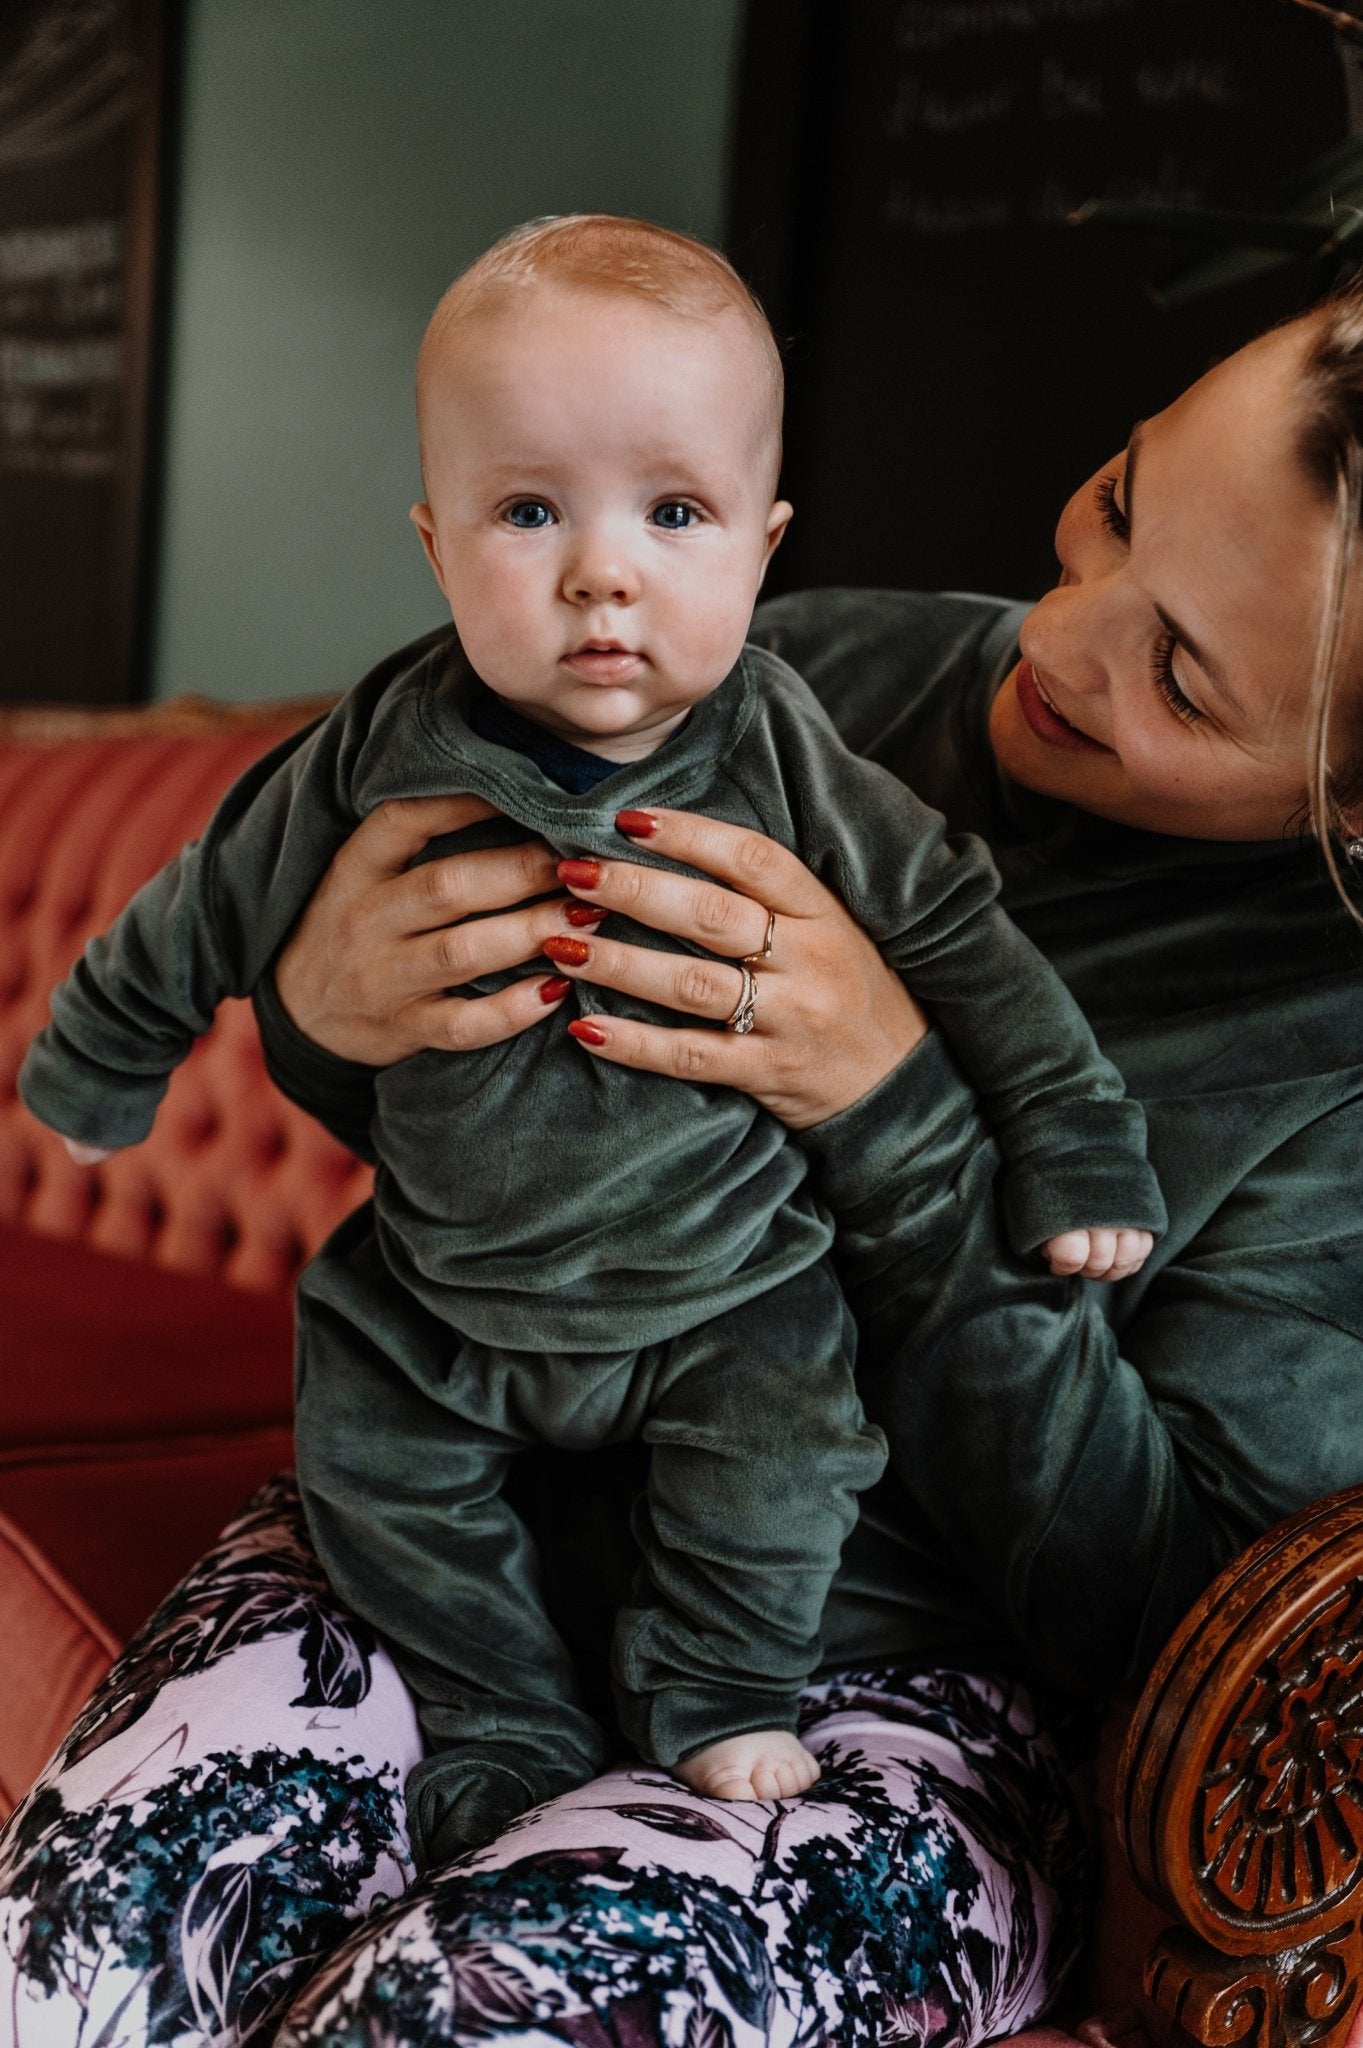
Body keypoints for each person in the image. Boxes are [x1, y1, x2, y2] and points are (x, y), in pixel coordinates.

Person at [3, 283, 1363, 2048]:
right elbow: (485, 1149)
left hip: (901, 1685)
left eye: (1181, 671)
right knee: (84, 1967)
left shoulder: (1331, 1057)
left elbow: (1155, 1628)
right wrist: (331, 1007)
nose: (1060, 628)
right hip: (465, 1518)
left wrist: (897, 1114)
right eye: (1117, 497)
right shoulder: (834, 668)